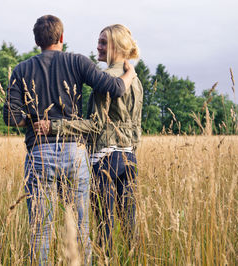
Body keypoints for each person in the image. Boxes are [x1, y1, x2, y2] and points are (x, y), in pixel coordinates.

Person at [3, 15, 137, 264]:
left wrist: (32, 120)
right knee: (80, 229)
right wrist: (130, 73)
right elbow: (116, 88)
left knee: (39, 230)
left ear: (36, 41)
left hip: (39, 154)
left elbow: (10, 117)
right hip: (74, 154)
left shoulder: (21, 69)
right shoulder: (77, 62)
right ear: (62, 38)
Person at [35, 24, 143, 255]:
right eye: (99, 41)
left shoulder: (106, 80)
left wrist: (53, 125)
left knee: (105, 227)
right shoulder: (135, 79)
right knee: (130, 226)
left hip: (105, 158)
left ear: (117, 45)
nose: (98, 46)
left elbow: (95, 125)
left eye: (104, 42)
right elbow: (135, 125)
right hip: (129, 157)